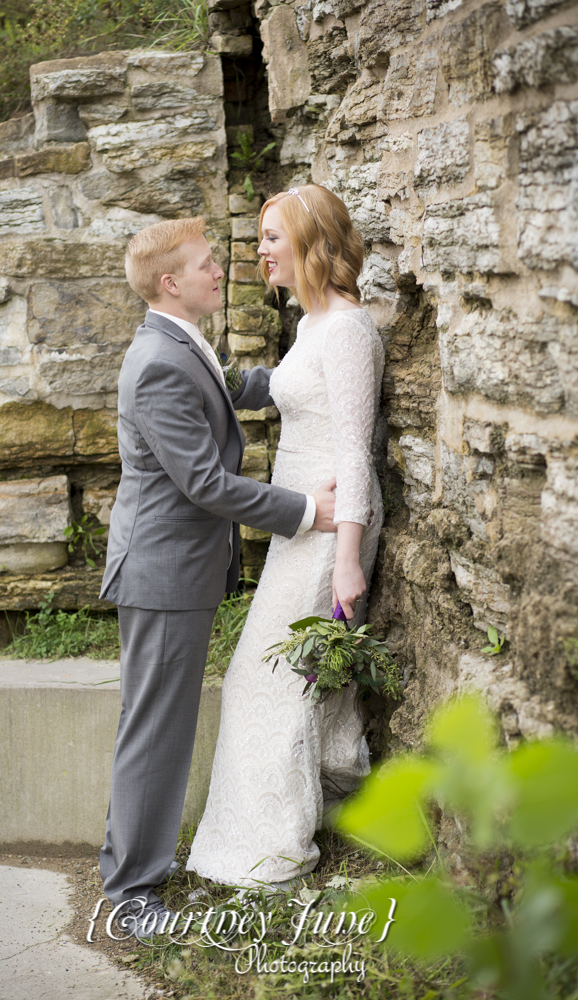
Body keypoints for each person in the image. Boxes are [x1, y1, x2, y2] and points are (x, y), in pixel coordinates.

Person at [98, 215, 339, 937]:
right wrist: (304, 511)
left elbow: (231, 385)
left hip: (175, 570)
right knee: (155, 731)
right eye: (206, 264)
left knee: (156, 726)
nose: (219, 271)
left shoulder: (179, 344)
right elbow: (204, 482)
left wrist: (309, 368)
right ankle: (131, 893)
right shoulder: (156, 364)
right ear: (171, 283)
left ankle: (129, 871)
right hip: (161, 575)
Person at [187, 185, 385, 888]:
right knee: (292, 676)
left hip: (334, 521)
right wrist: (194, 365)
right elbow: (275, 388)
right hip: (301, 518)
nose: (260, 251)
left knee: (269, 679)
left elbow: (356, 451)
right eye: (261, 236)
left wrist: (346, 561)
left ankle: (272, 849)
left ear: (310, 242)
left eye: (273, 237)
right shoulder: (310, 324)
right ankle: (323, 803)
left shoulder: (349, 331)